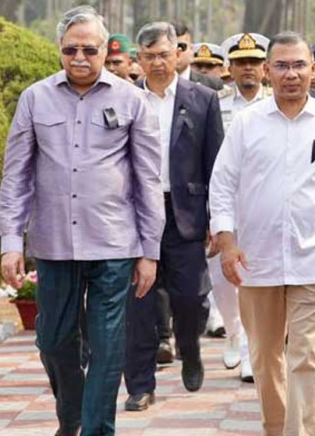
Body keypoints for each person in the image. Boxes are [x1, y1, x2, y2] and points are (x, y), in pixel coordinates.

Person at [0, 6, 164, 436]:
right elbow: (16, 175)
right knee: (52, 341)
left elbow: (147, 179)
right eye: (71, 49)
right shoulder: (35, 98)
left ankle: (96, 430)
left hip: (113, 244)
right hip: (53, 244)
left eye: (89, 49)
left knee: (108, 347)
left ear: (104, 51)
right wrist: (10, 241)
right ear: (59, 50)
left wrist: (150, 251)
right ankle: (70, 418)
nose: (80, 57)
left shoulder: (131, 100)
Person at [209, 31, 315, 436]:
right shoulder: (246, 125)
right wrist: (226, 241)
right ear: (267, 72)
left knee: (305, 356)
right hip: (256, 260)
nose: (291, 74)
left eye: (299, 65)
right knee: (265, 358)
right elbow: (222, 184)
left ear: (314, 71)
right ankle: (278, 429)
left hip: (312, 259)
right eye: (281, 65)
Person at [124, 21, 224, 412]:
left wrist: (217, 220)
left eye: (164, 54)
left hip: (185, 212)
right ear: (139, 59)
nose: (157, 63)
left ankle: (190, 348)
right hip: (136, 214)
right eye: (148, 57)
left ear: (178, 53)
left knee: (189, 298)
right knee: (140, 303)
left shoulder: (202, 98)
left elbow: (214, 162)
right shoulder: (126, 98)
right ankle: (140, 384)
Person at [211, 32, 273, 383]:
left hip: (262, 206)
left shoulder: (277, 103)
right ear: (229, 68)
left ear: (264, 67)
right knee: (222, 283)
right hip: (223, 205)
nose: (247, 68)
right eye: (240, 62)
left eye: (253, 62)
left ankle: (252, 351)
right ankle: (233, 332)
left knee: (254, 280)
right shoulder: (214, 104)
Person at [173, 20, 223, 90]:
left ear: (191, 49)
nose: (177, 52)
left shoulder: (212, 85)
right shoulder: (154, 84)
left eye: (181, 46)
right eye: (171, 48)